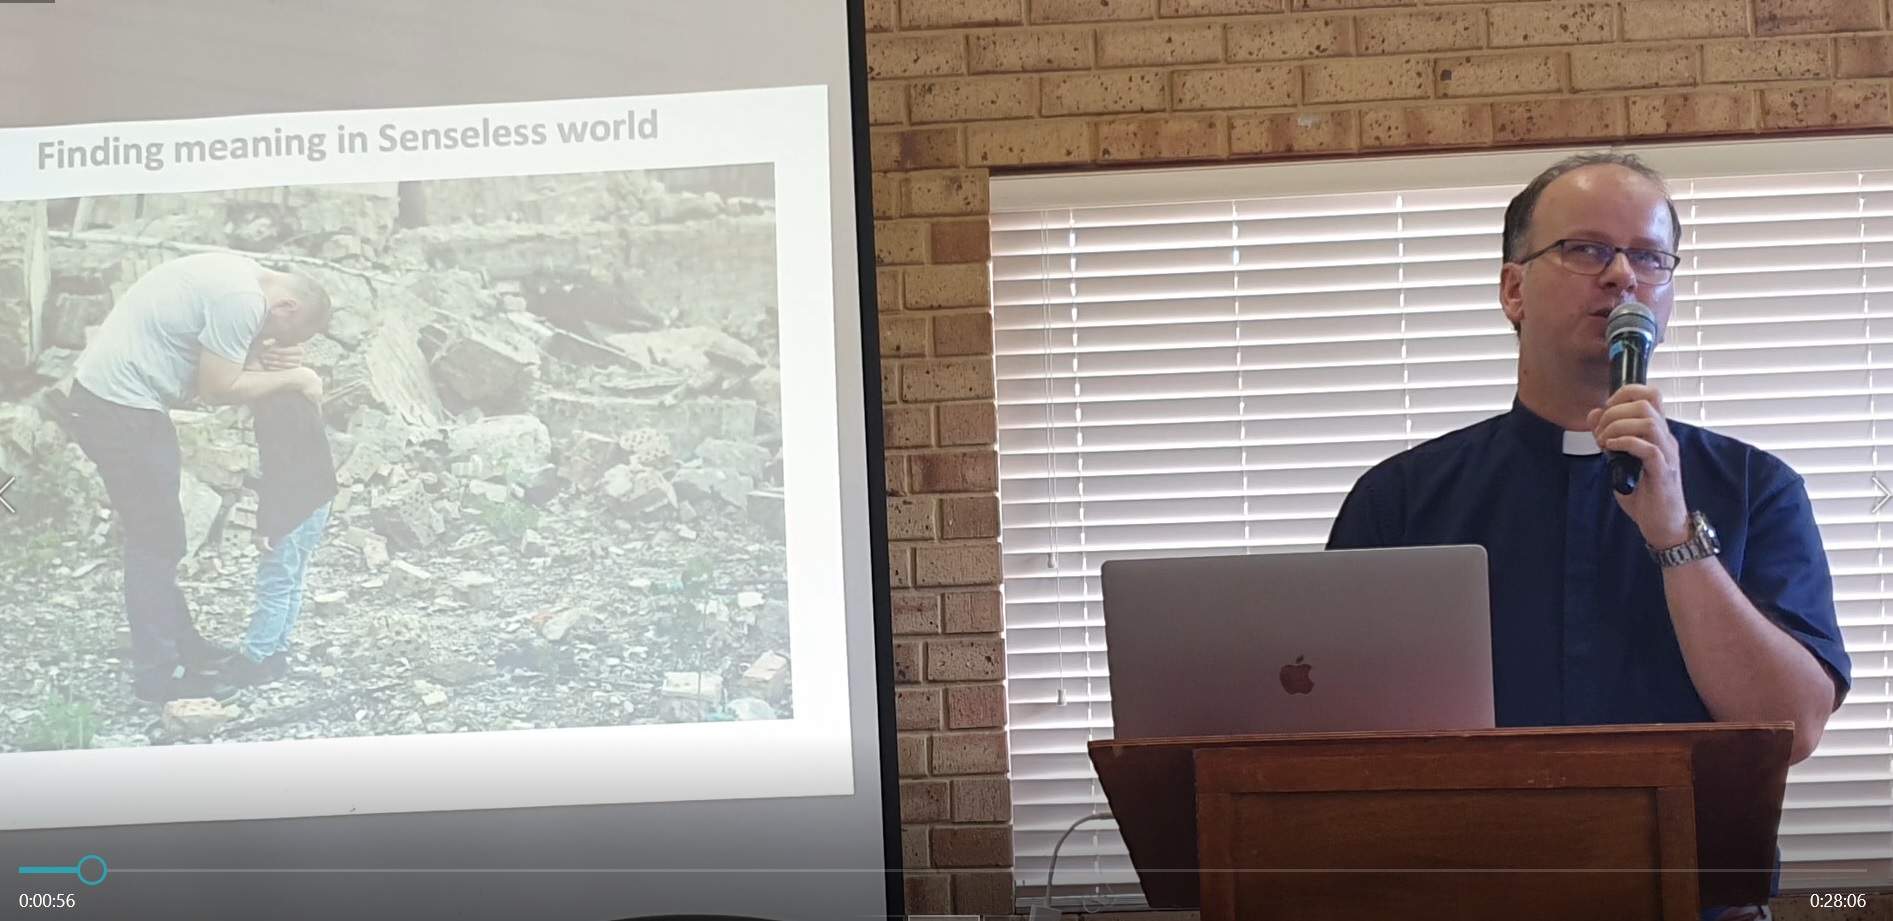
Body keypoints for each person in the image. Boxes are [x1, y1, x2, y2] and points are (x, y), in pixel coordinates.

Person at [1325, 151, 1850, 921]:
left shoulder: (1754, 487)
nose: (1622, 276)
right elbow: (1328, 731)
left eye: (1648, 256)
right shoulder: (1400, 499)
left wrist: (1674, 534)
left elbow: (1793, 727)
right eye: (1586, 249)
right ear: (1512, 289)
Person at [61, 251, 330, 703]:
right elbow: (218, 388)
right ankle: (158, 675)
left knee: (161, 536)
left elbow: (227, 361)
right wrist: (297, 378)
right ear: (287, 306)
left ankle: (183, 646)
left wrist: (268, 357)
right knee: (154, 541)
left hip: (120, 404)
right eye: (277, 333)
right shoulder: (242, 299)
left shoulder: (239, 272)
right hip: (119, 410)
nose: (266, 337)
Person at [221, 386, 338, 687]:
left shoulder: (271, 411)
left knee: (274, 585)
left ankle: (254, 661)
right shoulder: (298, 398)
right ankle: (276, 653)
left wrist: (268, 526)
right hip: (319, 499)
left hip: (292, 508)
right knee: (292, 581)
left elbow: (276, 473)